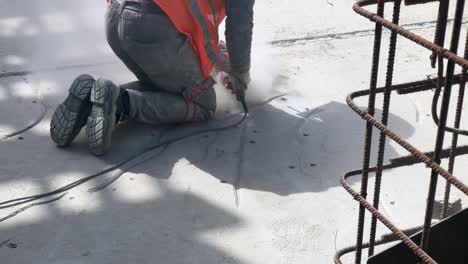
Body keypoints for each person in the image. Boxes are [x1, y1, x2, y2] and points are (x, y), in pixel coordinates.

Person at [50, 0, 254, 156]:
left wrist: (219, 64)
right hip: (153, 29)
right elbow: (240, 28)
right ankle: (121, 103)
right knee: (204, 104)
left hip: (117, 17)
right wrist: (240, 72)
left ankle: (90, 95)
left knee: (163, 85)